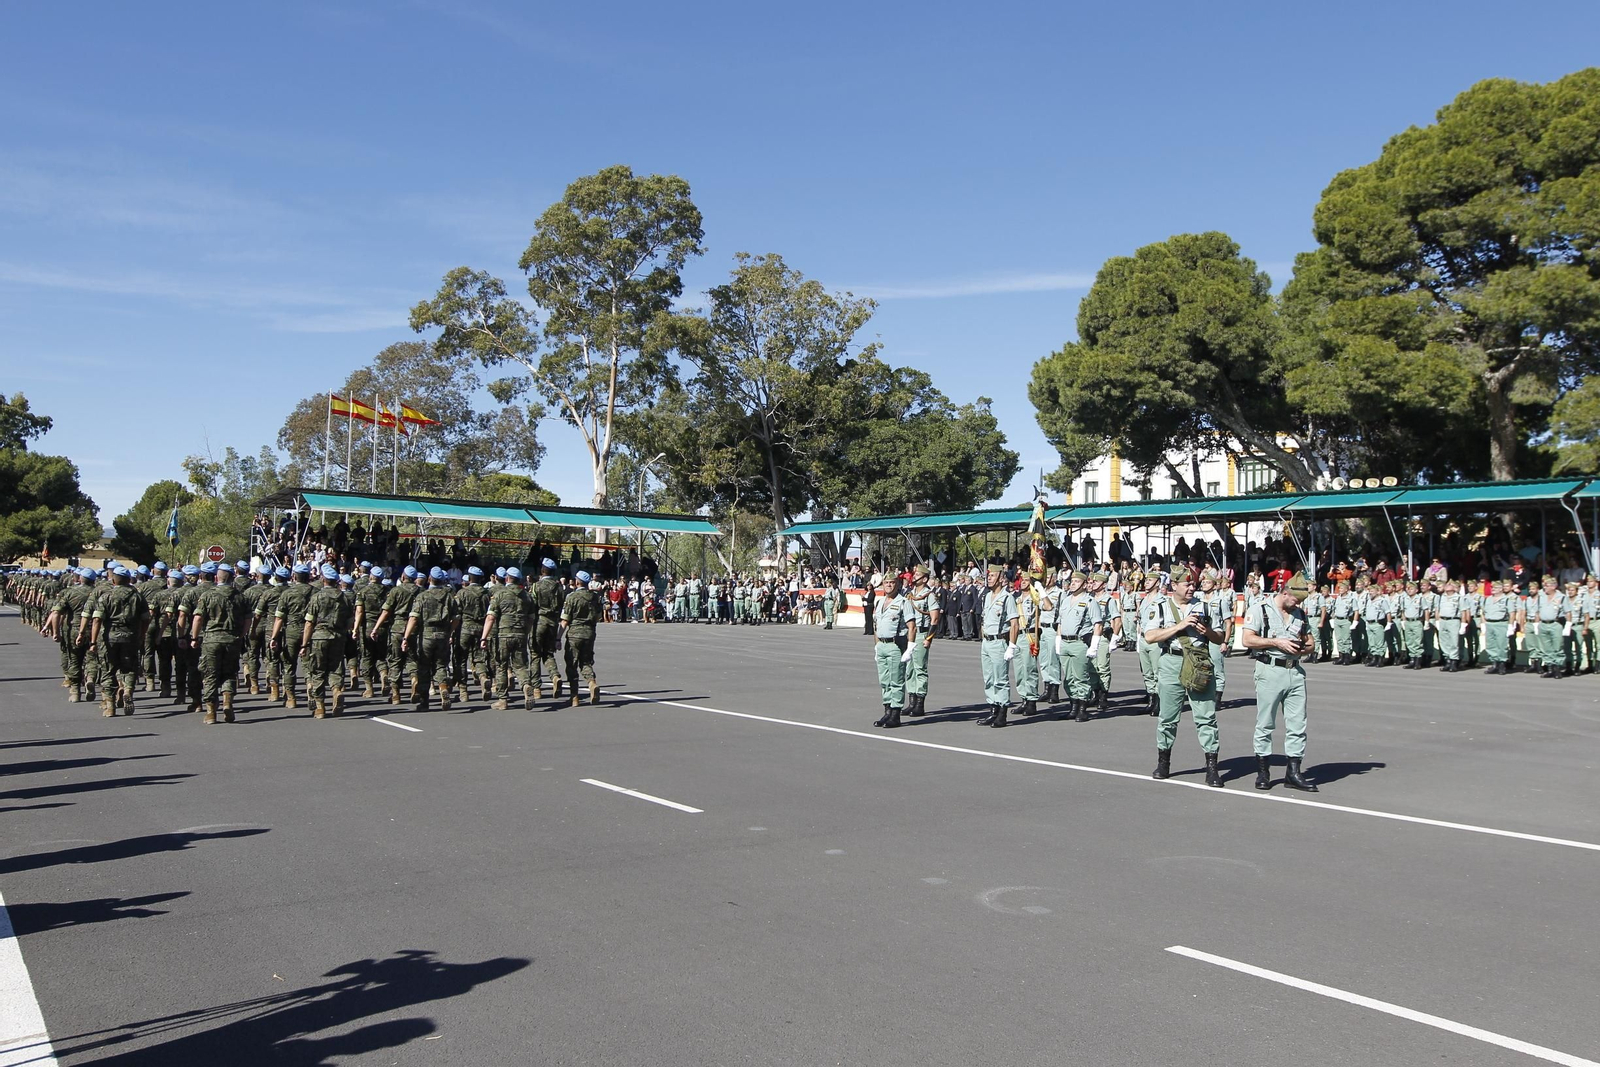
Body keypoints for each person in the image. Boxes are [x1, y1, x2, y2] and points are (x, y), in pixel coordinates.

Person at [1142, 570, 1225, 787]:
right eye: (1186, 585)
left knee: (1206, 716)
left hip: (1198, 662)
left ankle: (1212, 766)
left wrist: (1206, 631)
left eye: (1193, 585)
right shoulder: (1160, 606)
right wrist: (1179, 626)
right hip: (1171, 661)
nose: (1191, 588)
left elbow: (1220, 637)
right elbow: (1150, 636)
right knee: (1168, 717)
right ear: (1174, 586)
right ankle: (1164, 762)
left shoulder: (1204, 606)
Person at [1241, 573, 1317, 791]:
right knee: (1266, 722)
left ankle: (1293, 772)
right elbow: (1247, 639)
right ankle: (1263, 772)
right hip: (1270, 669)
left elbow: (1311, 642)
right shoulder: (1260, 609)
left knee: (1297, 724)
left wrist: (1303, 648)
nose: (1297, 605)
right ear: (1285, 593)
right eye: (1295, 600)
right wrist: (1275, 642)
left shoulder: (1299, 614)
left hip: (1295, 671)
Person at [89, 566, 149, 717]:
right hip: (130, 637)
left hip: (110, 638)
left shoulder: (106, 596)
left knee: (109, 671)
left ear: (113, 580)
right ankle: (128, 689)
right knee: (129, 668)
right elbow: (146, 619)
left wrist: (93, 641)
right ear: (129, 580)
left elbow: (97, 619)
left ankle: (110, 707)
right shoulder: (138, 596)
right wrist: (141, 635)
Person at [191, 562, 244, 724]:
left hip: (211, 640)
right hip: (232, 639)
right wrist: (241, 635)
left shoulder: (208, 595)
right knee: (229, 673)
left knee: (210, 674)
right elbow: (248, 618)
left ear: (216, 578)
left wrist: (194, 637)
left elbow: (198, 618)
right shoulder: (239, 596)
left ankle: (211, 712)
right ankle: (227, 702)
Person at [301, 564, 354, 717]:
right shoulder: (344, 598)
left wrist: (304, 644)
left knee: (318, 670)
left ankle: (320, 707)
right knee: (336, 668)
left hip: (319, 637)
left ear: (323, 579)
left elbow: (309, 622)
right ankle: (336, 690)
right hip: (338, 636)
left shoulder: (317, 597)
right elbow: (350, 621)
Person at [402, 567, 458, 711]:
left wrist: (406, 637)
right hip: (443, 635)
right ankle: (443, 687)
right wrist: (449, 632)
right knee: (440, 665)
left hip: (426, 635)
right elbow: (456, 618)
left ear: (429, 579)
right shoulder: (449, 596)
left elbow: (413, 618)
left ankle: (424, 701)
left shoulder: (422, 596)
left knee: (424, 668)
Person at [483, 567, 534, 710]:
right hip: (520, 634)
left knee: (501, 666)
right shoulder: (527, 596)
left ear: (507, 579)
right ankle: (526, 685)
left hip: (503, 634)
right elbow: (531, 619)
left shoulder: (500, 594)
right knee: (520, 665)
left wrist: (484, 637)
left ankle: (502, 699)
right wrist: (526, 632)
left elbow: (491, 617)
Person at [1054, 570, 1100, 722]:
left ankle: (1082, 708)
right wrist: (1058, 640)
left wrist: (1094, 645)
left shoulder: (1089, 601)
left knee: (1080, 676)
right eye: (1072, 581)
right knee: (1069, 678)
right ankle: (1073, 706)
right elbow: (1060, 621)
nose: (1073, 584)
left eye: (1077, 582)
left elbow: (1097, 624)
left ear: (1085, 584)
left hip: (1079, 643)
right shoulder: (1066, 600)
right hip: (1065, 642)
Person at [976, 565, 1019, 727]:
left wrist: (1011, 646)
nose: (989, 578)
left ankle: (1002, 712)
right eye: (989, 576)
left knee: (1000, 679)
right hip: (987, 642)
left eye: (993, 576)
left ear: (1001, 578)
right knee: (988, 678)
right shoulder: (987, 596)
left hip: (1000, 642)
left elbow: (1014, 624)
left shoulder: (1007, 598)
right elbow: (984, 619)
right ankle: (992, 709)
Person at [271, 564, 316, 709]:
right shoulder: (316, 592)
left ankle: (291, 697)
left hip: (291, 631)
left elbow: (279, 618)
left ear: (294, 577)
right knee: (309, 665)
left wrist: (274, 637)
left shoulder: (287, 594)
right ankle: (310, 685)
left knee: (289, 665)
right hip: (310, 632)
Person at [560, 570, 603, 706]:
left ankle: (574, 697)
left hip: (574, 634)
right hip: (589, 633)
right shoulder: (594, 597)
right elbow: (598, 617)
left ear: (577, 581)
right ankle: (592, 682)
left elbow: (565, 620)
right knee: (586, 662)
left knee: (571, 664)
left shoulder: (572, 597)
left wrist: (557, 638)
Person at [904, 565, 939, 716]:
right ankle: (911, 701)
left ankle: (920, 703)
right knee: (909, 669)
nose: (914, 576)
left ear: (924, 579)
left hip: (921, 634)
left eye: (917, 574)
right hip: (909, 634)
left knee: (920, 669)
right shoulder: (910, 594)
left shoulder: (929, 595)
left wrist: (929, 639)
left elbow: (935, 618)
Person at [531, 558, 566, 700]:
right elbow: (560, 605)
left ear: (542, 570)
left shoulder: (536, 586)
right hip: (552, 623)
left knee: (535, 655)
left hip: (539, 621)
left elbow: (532, 605)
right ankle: (555, 676)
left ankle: (536, 688)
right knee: (548, 654)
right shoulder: (559, 587)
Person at [1528, 574, 1570, 678]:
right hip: (1543, 624)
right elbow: (1537, 612)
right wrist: (1536, 625)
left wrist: (1568, 625)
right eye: (1544, 586)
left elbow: (1568, 612)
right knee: (1546, 648)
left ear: (1553, 586)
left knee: (1557, 647)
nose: (1544, 588)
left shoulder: (1561, 597)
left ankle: (1558, 669)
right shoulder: (1541, 597)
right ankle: (1551, 668)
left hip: (1555, 624)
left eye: (1547, 586)